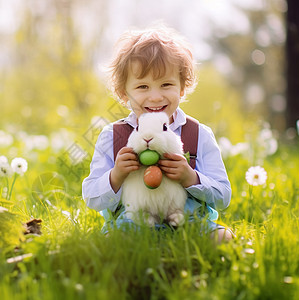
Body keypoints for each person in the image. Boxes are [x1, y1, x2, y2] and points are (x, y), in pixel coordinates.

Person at [82, 24, 233, 242]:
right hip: (132, 224)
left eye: (166, 84)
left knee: (223, 238)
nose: (155, 97)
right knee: (109, 243)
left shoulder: (198, 134)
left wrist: (191, 177)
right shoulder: (113, 135)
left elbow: (223, 196)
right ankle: (139, 265)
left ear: (181, 88)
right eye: (142, 87)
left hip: (189, 222)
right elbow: (91, 197)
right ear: (125, 93)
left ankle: (186, 262)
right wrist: (116, 176)